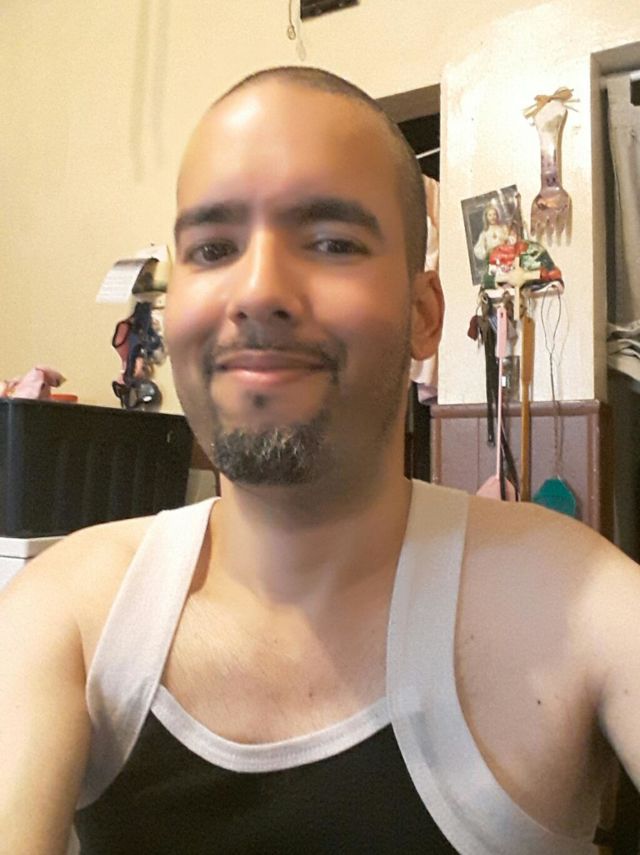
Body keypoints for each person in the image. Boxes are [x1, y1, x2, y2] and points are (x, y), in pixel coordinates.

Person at [1, 66, 639, 855]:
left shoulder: (575, 599)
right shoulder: (65, 613)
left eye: (332, 242)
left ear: (423, 314)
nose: (257, 290)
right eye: (213, 248)